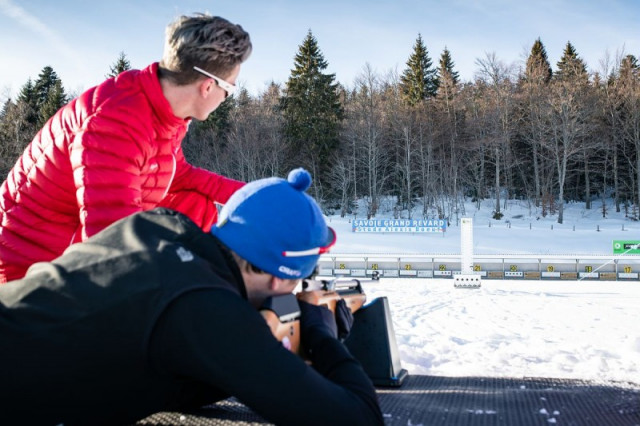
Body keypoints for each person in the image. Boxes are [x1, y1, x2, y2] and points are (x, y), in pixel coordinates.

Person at [0, 168, 384, 426]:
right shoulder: (209, 310)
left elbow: (186, 366)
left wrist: (283, 323)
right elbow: (359, 417)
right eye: (303, 277)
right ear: (280, 277)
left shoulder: (157, 225)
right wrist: (322, 333)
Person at [0, 13, 252, 283]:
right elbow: (110, 238)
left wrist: (257, 195)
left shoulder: (162, 112)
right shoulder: (115, 122)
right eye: (229, 90)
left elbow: (178, 176)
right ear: (207, 86)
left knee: (196, 206)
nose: (226, 98)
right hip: (34, 264)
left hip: (80, 239)